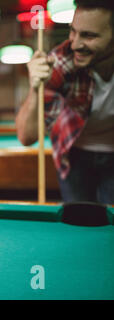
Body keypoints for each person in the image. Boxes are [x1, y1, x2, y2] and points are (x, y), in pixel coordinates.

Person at [16, 0, 114, 204]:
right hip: (74, 155)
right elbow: (26, 136)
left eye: (89, 35)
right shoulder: (61, 62)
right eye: (73, 31)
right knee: (78, 224)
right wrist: (35, 88)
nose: (75, 43)